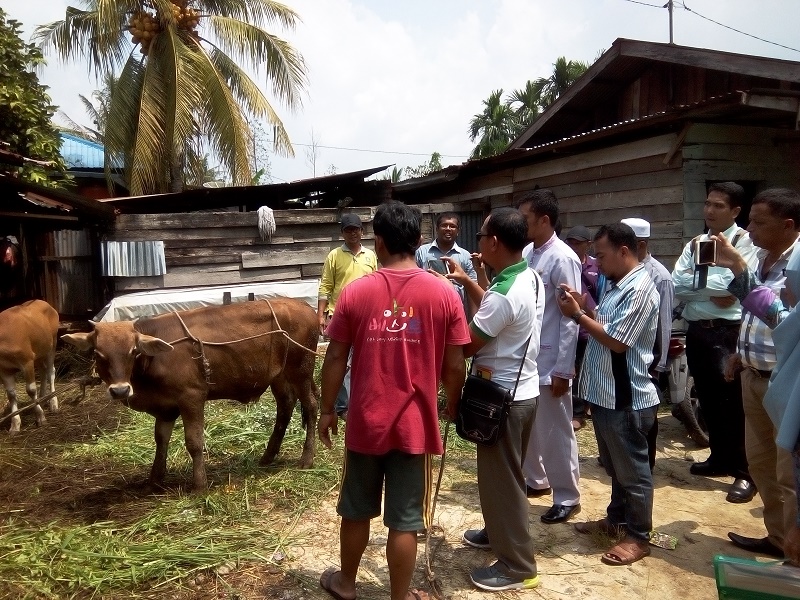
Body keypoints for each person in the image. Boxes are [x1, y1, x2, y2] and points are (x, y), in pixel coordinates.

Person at [317, 201, 469, 600]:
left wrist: (327, 409)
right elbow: (455, 366)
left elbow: (334, 357)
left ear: (378, 243)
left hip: (366, 420)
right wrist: (453, 404)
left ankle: (346, 584)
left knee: (355, 510)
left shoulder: (354, 293)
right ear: (419, 241)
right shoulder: (445, 295)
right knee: (404, 521)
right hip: (415, 424)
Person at [444, 207, 545, 592]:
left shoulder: (505, 292)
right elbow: (496, 313)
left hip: (501, 397)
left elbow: (467, 344)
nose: (479, 241)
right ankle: (496, 532)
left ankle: (518, 566)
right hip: (523, 390)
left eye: (483, 236)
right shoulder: (526, 276)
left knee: (503, 481)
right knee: (504, 476)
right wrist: (471, 284)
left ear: (494, 243)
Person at [705, 188, 800, 557]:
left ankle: (795, 553)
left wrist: (738, 270)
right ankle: (778, 540)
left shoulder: (797, 265)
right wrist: (740, 354)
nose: (749, 228)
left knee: (789, 473)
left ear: (788, 225)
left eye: (759, 222)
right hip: (754, 374)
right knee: (761, 465)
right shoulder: (761, 257)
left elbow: (782, 320)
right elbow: (752, 314)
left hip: (786, 382)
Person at [558, 222, 660, 566]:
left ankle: (639, 536)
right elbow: (606, 323)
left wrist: (576, 316)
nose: (596, 263)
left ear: (624, 251)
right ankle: (616, 520)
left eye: (600, 255)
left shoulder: (641, 288)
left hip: (626, 399)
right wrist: (584, 306)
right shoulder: (618, 286)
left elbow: (616, 341)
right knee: (617, 467)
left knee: (634, 472)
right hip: (604, 395)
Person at [671, 182, 758, 503]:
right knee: (707, 396)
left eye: (718, 205)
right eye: (707, 203)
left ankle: (746, 472)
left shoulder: (746, 243)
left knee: (734, 401)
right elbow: (677, 282)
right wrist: (710, 288)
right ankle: (720, 458)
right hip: (699, 330)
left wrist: (712, 288)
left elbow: (734, 287)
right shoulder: (697, 243)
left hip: (728, 331)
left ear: (735, 211)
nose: (709, 210)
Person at [516, 190, 582, 524]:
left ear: (544, 220)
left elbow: (571, 316)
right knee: (532, 426)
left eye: (525, 218)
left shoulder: (563, 257)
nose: (521, 224)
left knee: (557, 428)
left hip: (552, 356)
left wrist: (564, 367)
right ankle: (537, 479)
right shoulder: (528, 252)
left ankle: (568, 496)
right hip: (528, 357)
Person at [621, 217, 674, 471]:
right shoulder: (619, 271)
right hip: (622, 353)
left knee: (645, 418)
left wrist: (659, 365)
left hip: (647, 359)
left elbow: (664, 323)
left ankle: (645, 466)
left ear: (639, 245)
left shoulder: (659, 276)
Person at [317, 213, 378, 418]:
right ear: (342, 233)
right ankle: (343, 406)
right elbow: (325, 286)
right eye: (348, 230)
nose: (353, 233)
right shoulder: (334, 255)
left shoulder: (370, 256)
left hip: (367, 315)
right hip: (339, 314)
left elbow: (378, 282)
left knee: (363, 359)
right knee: (339, 359)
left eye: (356, 229)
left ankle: (360, 400)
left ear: (362, 231)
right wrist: (321, 315)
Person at [564, 225, 600, 432]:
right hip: (571, 325)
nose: (574, 246)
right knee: (573, 369)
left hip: (590, 325)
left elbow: (601, 294)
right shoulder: (565, 263)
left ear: (588, 244)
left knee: (590, 369)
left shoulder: (596, 267)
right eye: (571, 242)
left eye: (578, 243)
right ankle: (577, 411)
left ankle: (588, 406)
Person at [415, 212, 477, 313]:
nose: (448, 228)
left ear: (458, 231)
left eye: (452, 226)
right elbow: (414, 282)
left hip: (455, 311)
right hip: (427, 310)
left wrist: (473, 319)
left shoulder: (465, 256)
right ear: (437, 229)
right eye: (444, 225)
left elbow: (472, 288)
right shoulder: (422, 252)